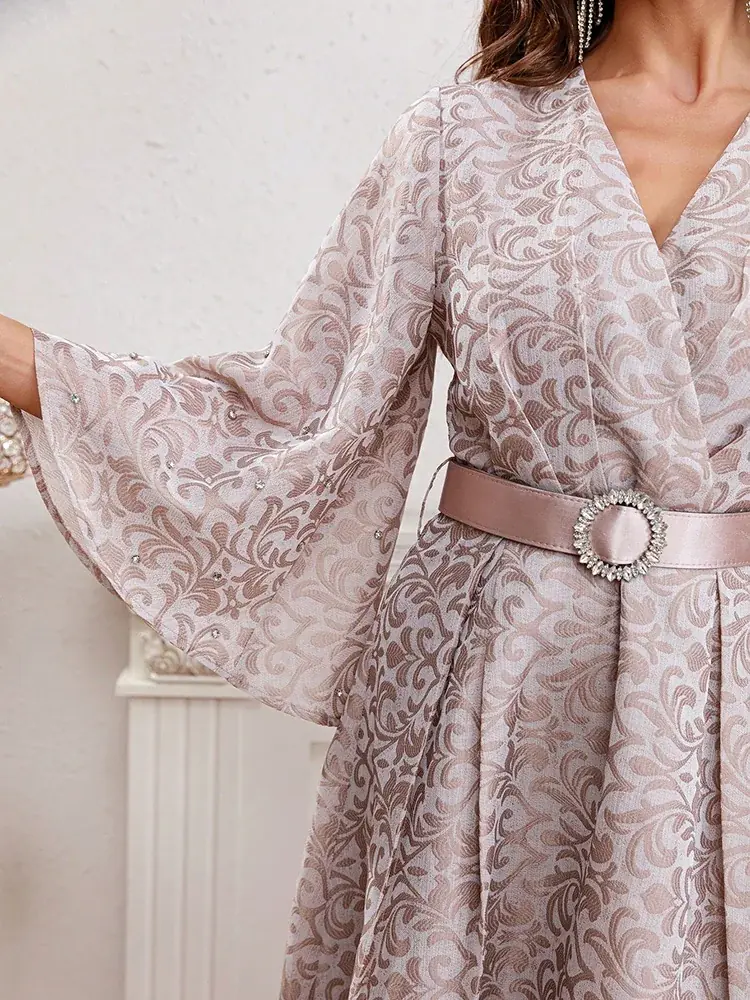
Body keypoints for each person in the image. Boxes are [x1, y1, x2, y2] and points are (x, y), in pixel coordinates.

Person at [2, 0, 750, 996]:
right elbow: (299, 414)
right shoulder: (466, 136)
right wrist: (25, 366)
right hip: (488, 675)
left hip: (725, 692)